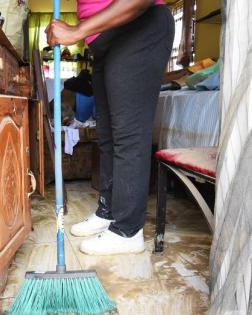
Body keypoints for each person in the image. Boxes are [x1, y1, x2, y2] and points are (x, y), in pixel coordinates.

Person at [45, 0, 175, 255]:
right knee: (107, 135)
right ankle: (109, 211)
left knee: (128, 134)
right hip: (106, 39)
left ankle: (128, 230)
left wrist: (76, 31)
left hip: (136, 27)